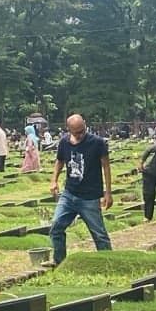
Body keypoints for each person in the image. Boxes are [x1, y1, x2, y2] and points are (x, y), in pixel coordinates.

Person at [47, 114, 113, 266]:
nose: (81, 134)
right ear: (69, 130)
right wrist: (54, 180)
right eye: (77, 132)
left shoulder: (97, 143)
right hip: (69, 194)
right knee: (56, 227)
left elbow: (106, 166)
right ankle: (59, 262)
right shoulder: (64, 142)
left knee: (99, 234)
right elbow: (60, 161)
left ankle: (109, 262)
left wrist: (107, 193)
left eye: (82, 130)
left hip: (90, 196)